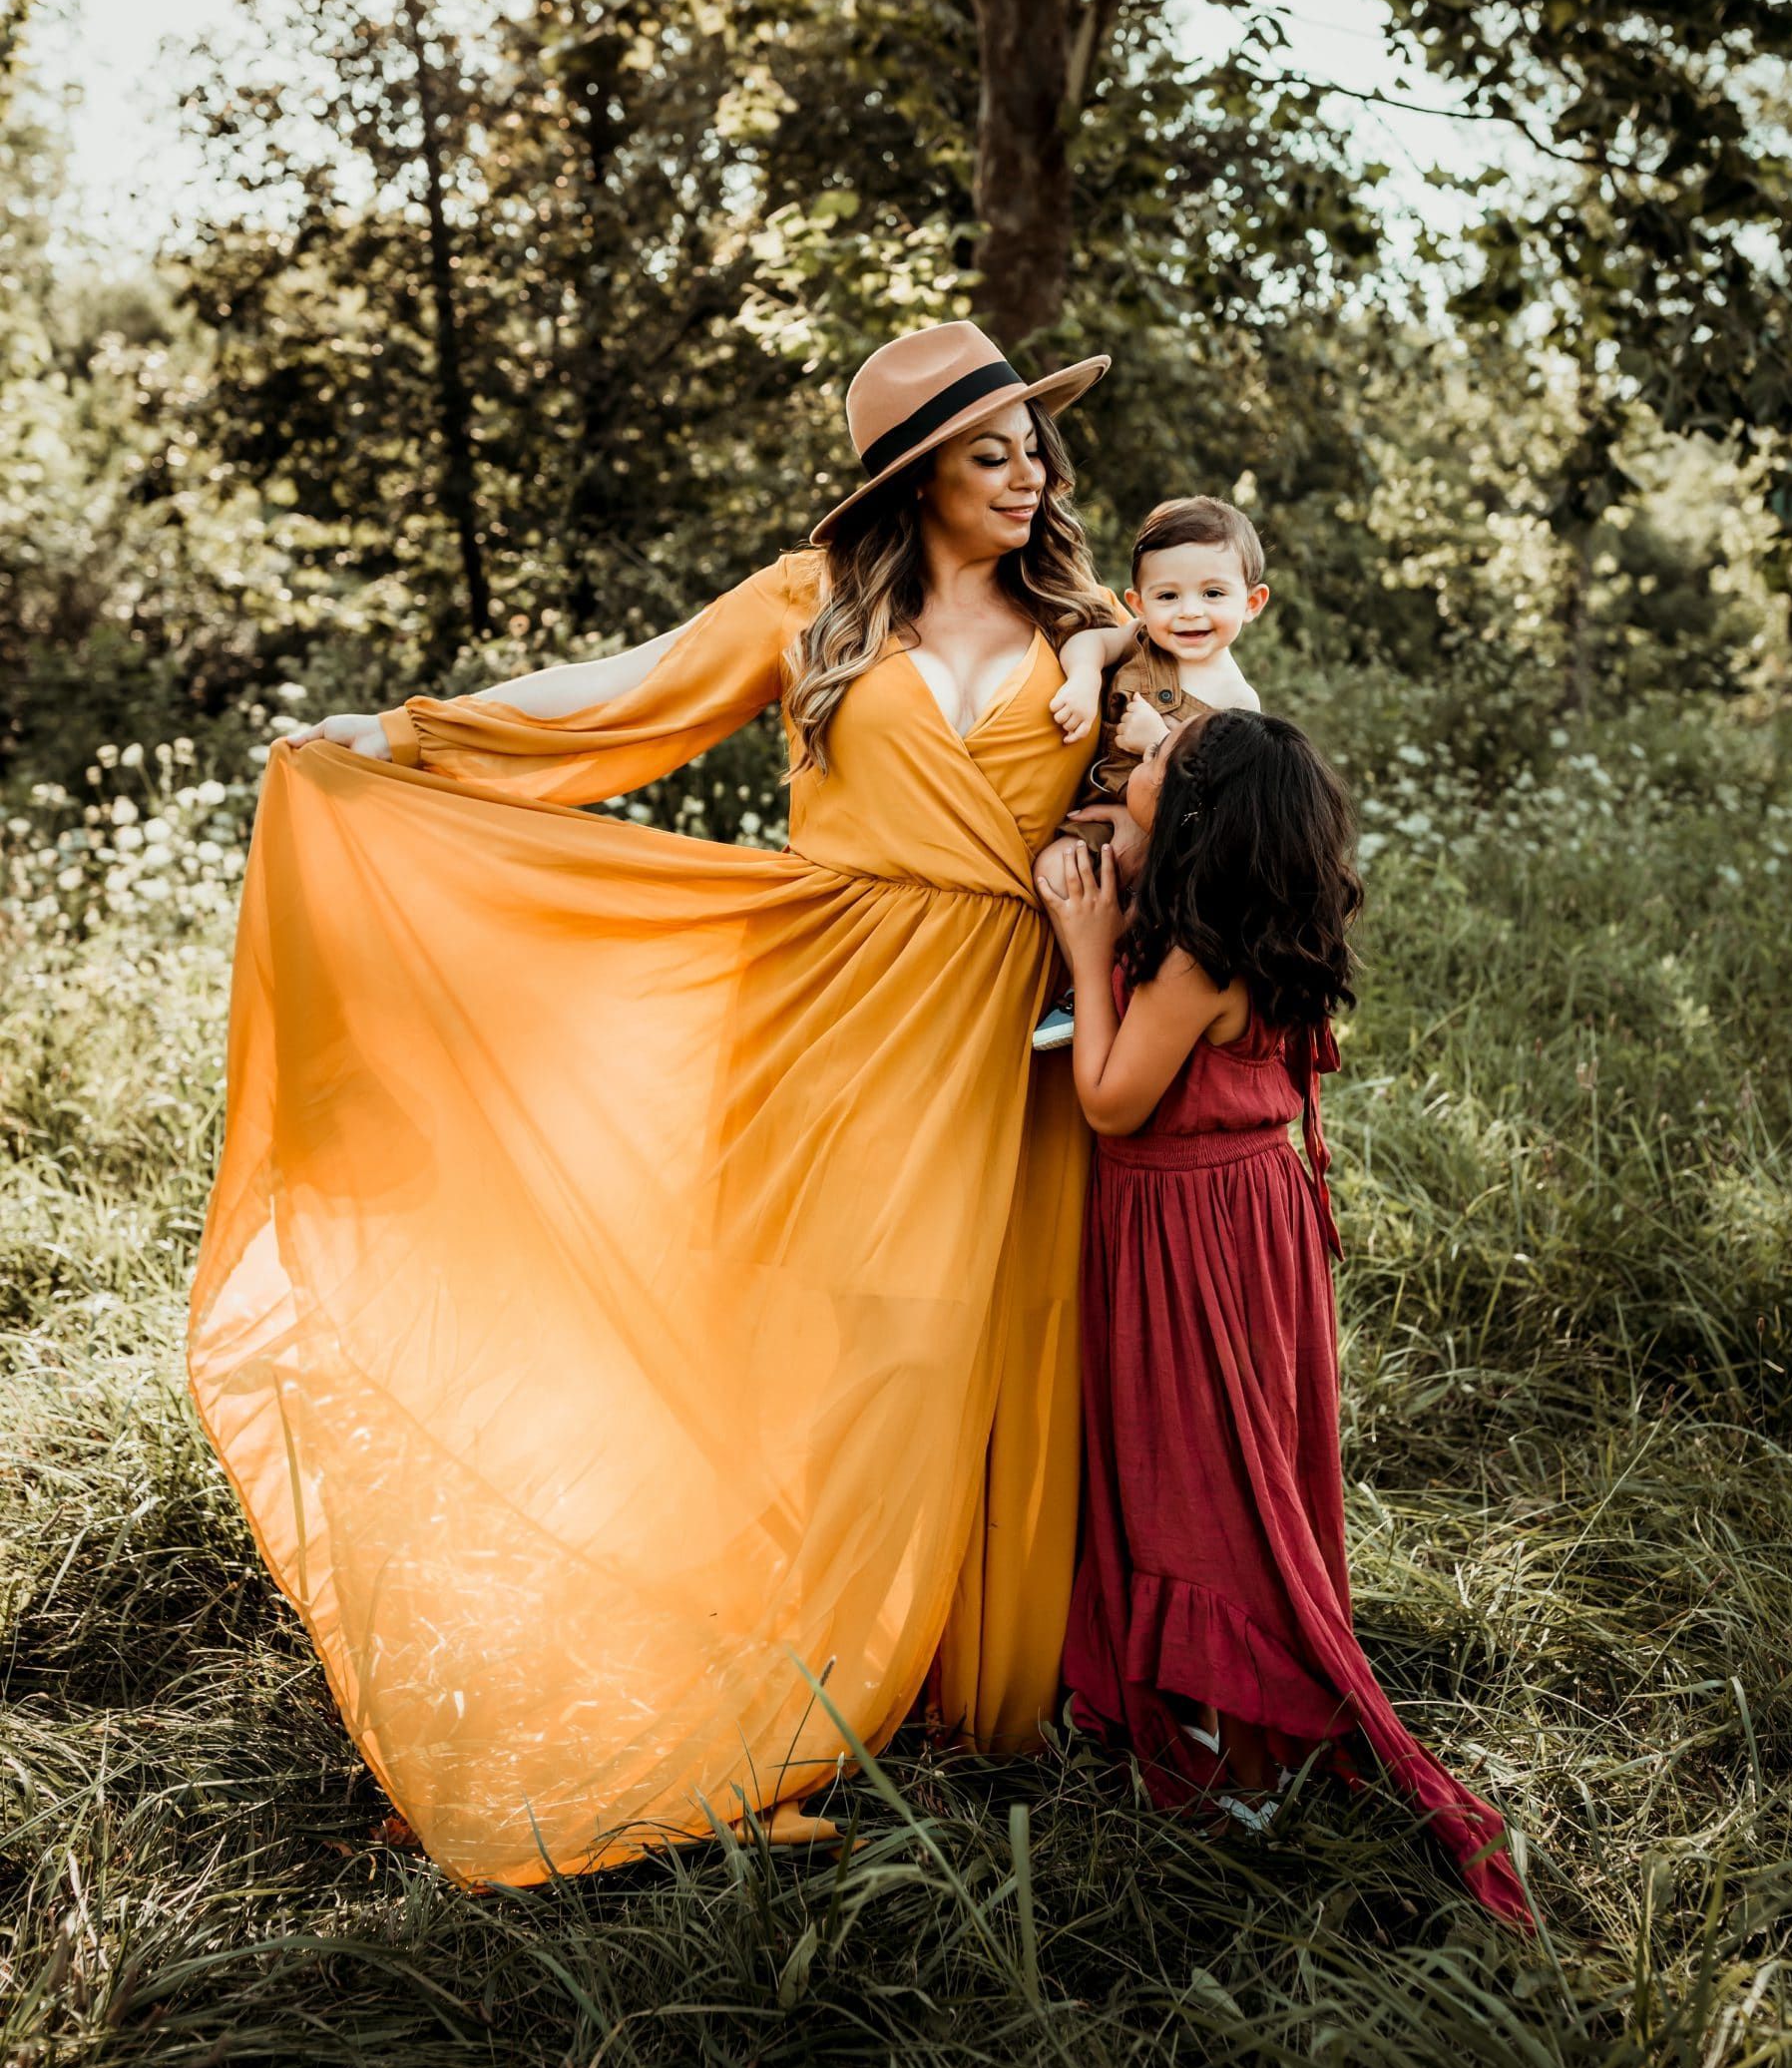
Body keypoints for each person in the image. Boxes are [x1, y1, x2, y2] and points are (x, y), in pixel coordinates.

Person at [190, 317, 1122, 1888]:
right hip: (821, 1013)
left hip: (988, 1036)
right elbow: (627, 697)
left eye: (1035, 445)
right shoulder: (812, 604)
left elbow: (1198, 764)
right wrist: (418, 733)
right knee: (817, 1347)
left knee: (948, 1344)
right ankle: (779, 1696)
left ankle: (920, 1678)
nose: (1028, 472)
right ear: (917, 476)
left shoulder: (1087, 626)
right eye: (991, 450)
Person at [1037, 711, 1533, 1926]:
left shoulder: (1189, 965)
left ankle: (1244, 1770)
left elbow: (1107, 1100)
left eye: (1152, 764)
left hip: (1187, 1235)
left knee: (1198, 1484)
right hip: (1260, 1222)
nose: (1131, 763)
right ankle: (1240, 1737)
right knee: (1246, 1462)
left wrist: (1085, 929)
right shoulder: (1262, 928)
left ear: (1198, 821)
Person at [1031, 495, 1269, 1049]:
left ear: (1252, 602)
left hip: (1178, 842)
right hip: (1105, 815)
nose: (1188, 612)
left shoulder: (1239, 701)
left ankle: (1128, 993)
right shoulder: (1138, 638)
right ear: (1139, 602)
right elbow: (1088, 640)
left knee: (1165, 912)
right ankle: (1082, 984)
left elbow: (1223, 793)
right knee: (1055, 866)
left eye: (1212, 594)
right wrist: (1085, 681)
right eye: (1168, 596)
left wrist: (1159, 741)